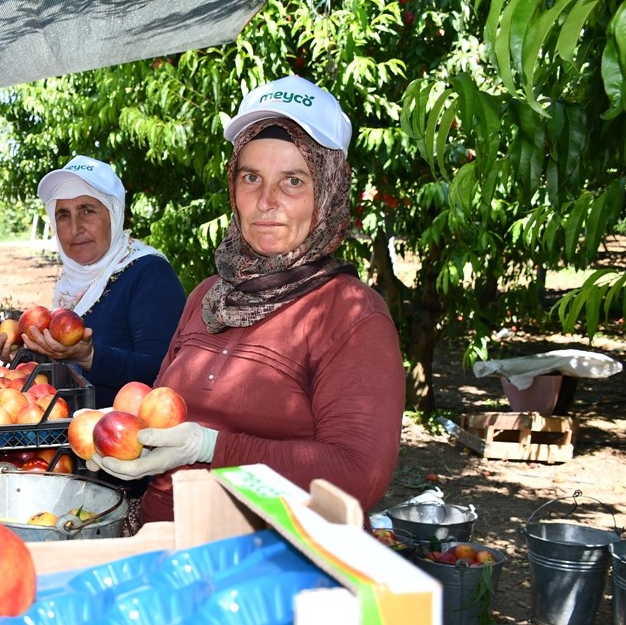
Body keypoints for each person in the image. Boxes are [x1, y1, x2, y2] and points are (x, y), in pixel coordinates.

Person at [91, 75, 404, 521]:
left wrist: (212, 447)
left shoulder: (350, 316)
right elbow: (155, 413)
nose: (266, 201)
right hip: (165, 552)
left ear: (328, 193)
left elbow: (357, 475)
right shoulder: (208, 296)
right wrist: (121, 435)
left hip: (268, 568)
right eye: (251, 177)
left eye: (293, 181)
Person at [0, 155, 187, 405]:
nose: (75, 228)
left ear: (114, 214)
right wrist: (17, 352)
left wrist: (90, 356)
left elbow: (163, 369)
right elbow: (64, 368)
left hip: (126, 435)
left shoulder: (149, 274)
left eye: (87, 210)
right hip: (72, 431)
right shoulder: (73, 283)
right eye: (63, 215)